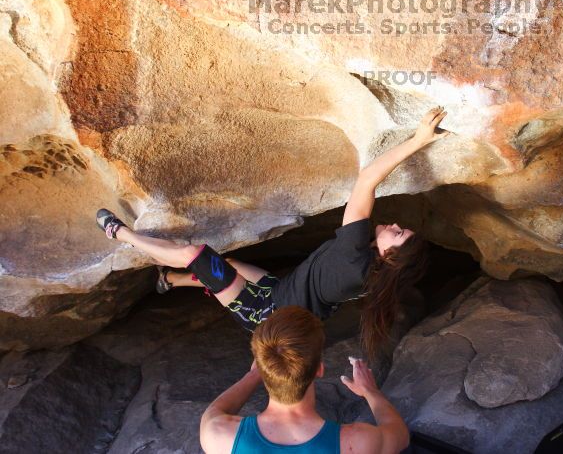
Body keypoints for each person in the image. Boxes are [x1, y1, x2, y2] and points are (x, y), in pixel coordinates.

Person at [96, 107, 448, 359]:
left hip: (262, 311)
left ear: (390, 256)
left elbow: (368, 177)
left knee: (198, 256)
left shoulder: (355, 254)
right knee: (228, 264)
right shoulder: (372, 273)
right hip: (281, 293)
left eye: (398, 234)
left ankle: (120, 233)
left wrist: (419, 140)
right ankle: (171, 281)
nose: (395, 226)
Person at [199, 305, 409, 454]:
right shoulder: (356, 442)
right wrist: (370, 392)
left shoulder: (219, 435)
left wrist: (255, 374)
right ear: (319, 369)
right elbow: (399, 434)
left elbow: (214, 411)